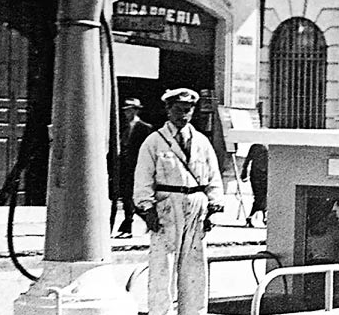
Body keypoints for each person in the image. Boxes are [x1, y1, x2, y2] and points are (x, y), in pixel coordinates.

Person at [133, 88, 224, 315]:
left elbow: (213, 177)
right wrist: (146, 208)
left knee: (194, 267)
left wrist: (214, 209)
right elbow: (143, 179)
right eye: (179, 109)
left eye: (188, 110)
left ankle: (193, 312)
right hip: (167, 206)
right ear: (168, 109)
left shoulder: (202, 142)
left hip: (196, 205)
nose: (184, 114)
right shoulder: (154, 142)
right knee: (163, 266)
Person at [112, 98, 154, 238]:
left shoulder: (144, 127)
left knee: (131, 197)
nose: (126, 113)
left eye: (130, 110)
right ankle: (132, 224)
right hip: (124, 167)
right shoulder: (122, 127)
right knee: (126, 196)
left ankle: (130, 224)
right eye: (125, 110)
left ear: (136, 110)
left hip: (137, 167)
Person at [240, 143, 269, 227]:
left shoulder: (263, 146)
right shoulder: (257, 146)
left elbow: (247, 161)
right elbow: (248, 160)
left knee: (262, 197)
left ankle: (260, 216)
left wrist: (244, 172)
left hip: (263, 174)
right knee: (260, 196)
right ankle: (260, 216)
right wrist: (244, 172)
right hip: (258, 175)